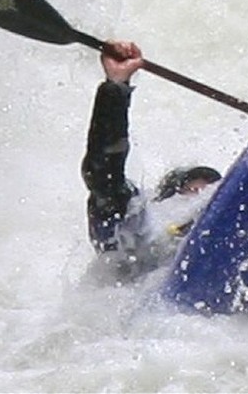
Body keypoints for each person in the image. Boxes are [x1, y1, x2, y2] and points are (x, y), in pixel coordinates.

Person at [81, 40, 221, 280]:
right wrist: (115, 88)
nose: (201, 200)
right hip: (124, 305)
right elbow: (103, 173)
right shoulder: (138, 225)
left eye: (210, 193)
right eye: (192, 191)